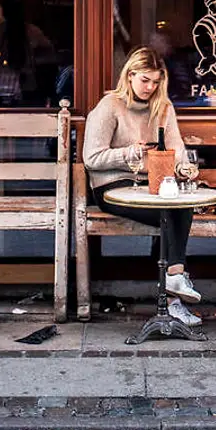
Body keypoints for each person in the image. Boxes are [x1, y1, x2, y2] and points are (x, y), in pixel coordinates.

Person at [83, 47, 199, 326]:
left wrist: (185, 168)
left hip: (151, 183)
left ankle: (173, 282)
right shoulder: (110, 106)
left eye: (156, 81)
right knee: (168, 214)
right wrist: (127, 153)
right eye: (145, 80)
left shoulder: (163, 107)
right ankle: (173, 295)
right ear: (130, 75)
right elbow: (91, 158)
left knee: (181, 206)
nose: (150, 87)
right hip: (111, 185)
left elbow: (176, 148)